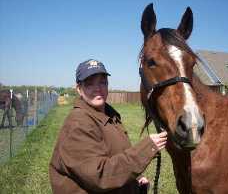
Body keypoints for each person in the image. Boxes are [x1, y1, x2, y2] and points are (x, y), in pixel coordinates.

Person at [49, 59, 167, 194]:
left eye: (102, 82)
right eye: (89, 84)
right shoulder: (78, 124)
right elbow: (100, 176)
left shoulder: (109, 115)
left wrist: (135, 179)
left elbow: (115, 154)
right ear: (79, 89)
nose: (98, 88)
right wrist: (146, 148)